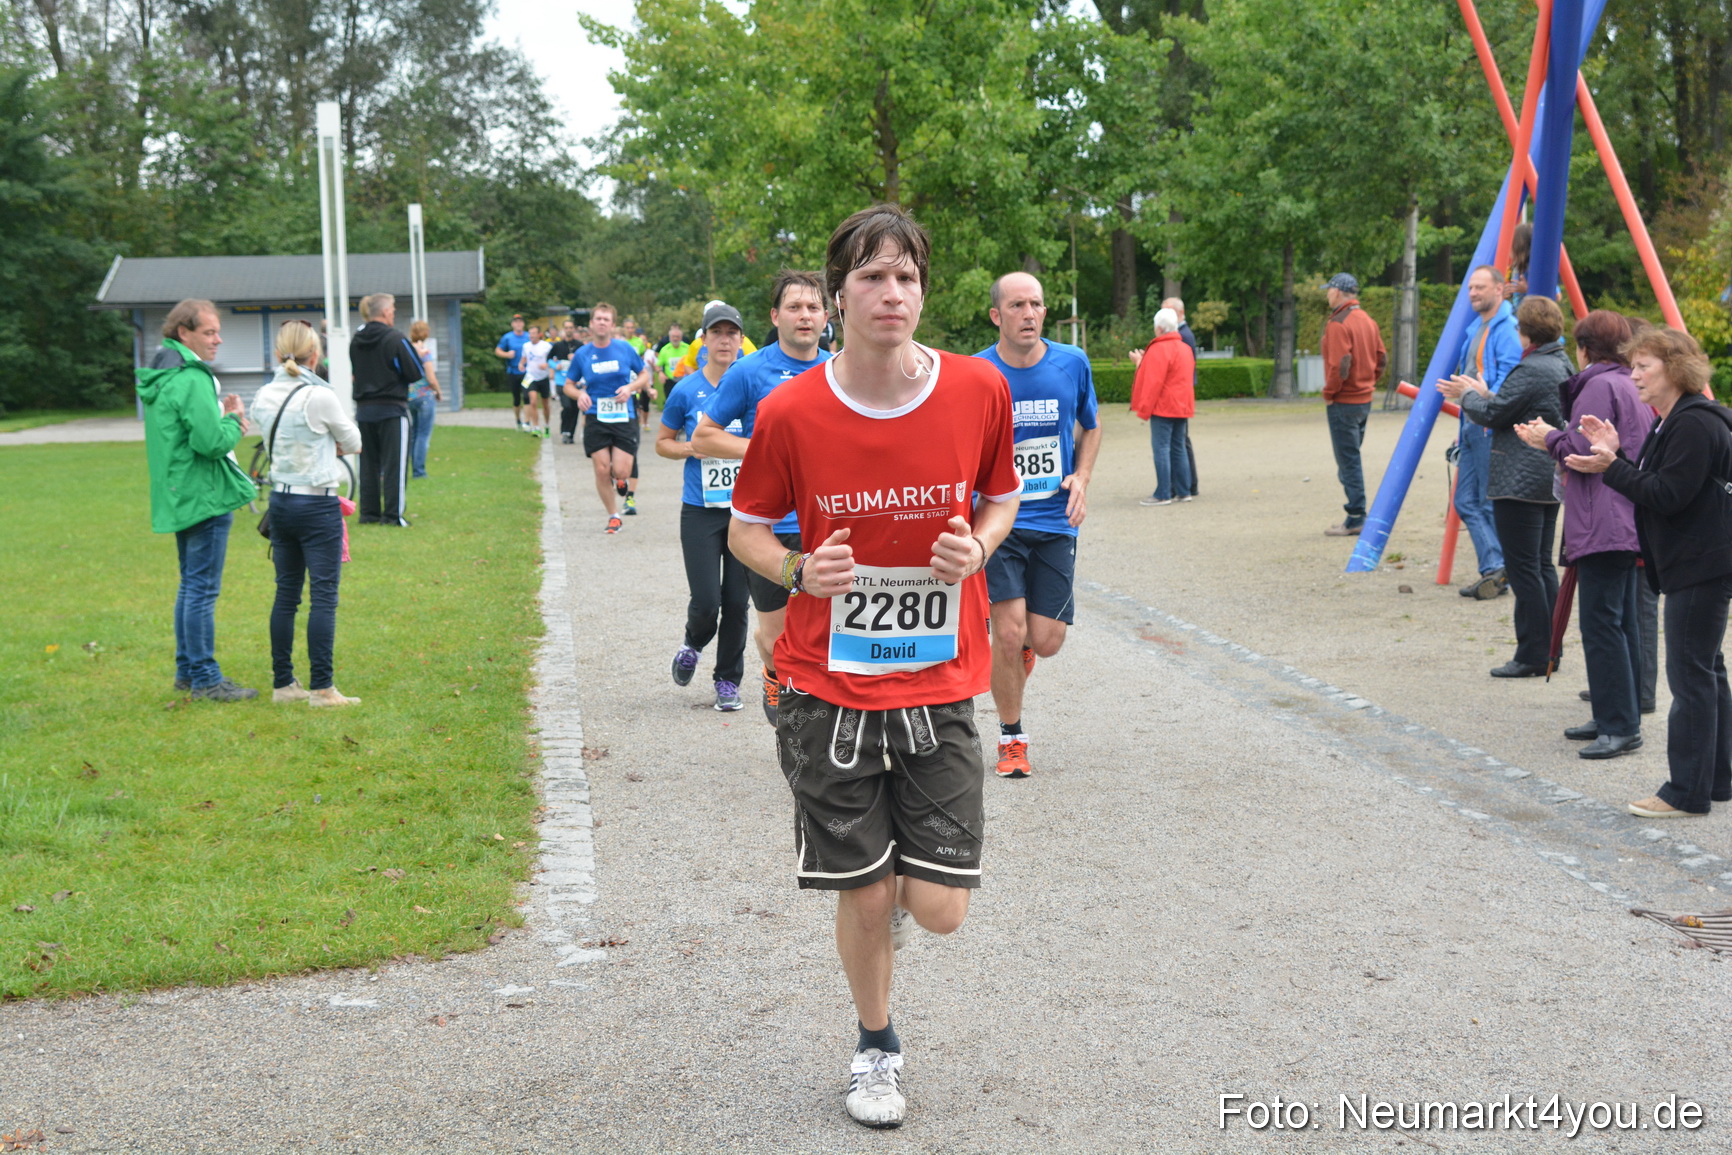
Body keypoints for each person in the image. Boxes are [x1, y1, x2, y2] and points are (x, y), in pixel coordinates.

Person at [726, 204, 1020, 1130]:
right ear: (838, 295)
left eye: (907, 277)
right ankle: (876, 1045)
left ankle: (889, 903)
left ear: (923, 292)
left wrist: (979, 545)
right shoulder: (791, 409)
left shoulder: (977, 388)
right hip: (828, 687)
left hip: (939, 684)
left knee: (937, 908)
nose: (892, 293)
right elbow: (745, 528)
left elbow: (1002, 497)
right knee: (861, 892)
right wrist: (797, 570)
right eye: (871, 277)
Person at [1567, 327, 1732, 818]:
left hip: (1700, 562)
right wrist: (1618, 455)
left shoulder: (1692, 423)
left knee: (1691, 676)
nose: (1634, 375)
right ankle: (1716, 778)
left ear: (1675, 369)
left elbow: (1667, 495)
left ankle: (1686, 792)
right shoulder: (1676, 420)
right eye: (1633, 365)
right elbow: (1662, 482)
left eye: (1644, 366)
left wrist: (1611, 466)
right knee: (1707, 670)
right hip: (1699, 559)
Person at [691, 270, 832, 723]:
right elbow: (703, 436)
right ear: (775, 316)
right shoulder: (749, 372)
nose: (804, 316)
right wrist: (762, 449)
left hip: (830, 524)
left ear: (826, 316)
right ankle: (773, 671)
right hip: (773, 528)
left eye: (813, 307)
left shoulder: (843, 369)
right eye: (794, 307)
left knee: (830, 633)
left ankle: (818, 717)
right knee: (776, 636)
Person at [975, 272, 1100, 779]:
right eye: (1017, 305)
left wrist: (1082, 478)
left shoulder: (1072, 362)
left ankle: (1020, 652)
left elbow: (1091, 426)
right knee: (1007, 633)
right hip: (999, 523)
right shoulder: (978, 373)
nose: (1029, 314)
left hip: (1054, 521)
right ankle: (1012, 738)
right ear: (996, 315)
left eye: (1036, 305)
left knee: (1044, 640)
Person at [1514, 310, 1652, 757]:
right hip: (1627, 512)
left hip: (1602, 517)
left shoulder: (1597, 384)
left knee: (1601, 624)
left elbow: (1580, 449)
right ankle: (1618, 713)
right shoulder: (1629, 382)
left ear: (1586, 347)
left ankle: (1619, 724)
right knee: (1622, 620)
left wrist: (1548, 437)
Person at [1440, 295, 1570, 678]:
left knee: (1523, 568)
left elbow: (1496, 415)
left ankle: (1532, 654)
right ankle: (1551, 649)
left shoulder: (1531, 368)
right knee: (1541, 565)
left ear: (1525, 331)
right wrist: (1485, 394)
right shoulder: (1561, 362)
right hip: (1545, 476)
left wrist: (1468, 396)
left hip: (1519, 478)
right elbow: (1517, 406)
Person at [137, 298, 258, 701]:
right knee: (201, 590)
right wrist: (234, 420)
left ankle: (188, 673)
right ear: (183, 333)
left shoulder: (163, 375)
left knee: (190, 586)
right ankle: (206, 678)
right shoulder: (191, 377)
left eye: (217, 332)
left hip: (180, 493)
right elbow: (210, 443)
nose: (217, 340)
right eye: (209, 332)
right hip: (203, 495)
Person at [251, 321, 363, 708]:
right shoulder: (319, 395)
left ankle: (283, 684)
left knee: (286, 596)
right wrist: (328, 443)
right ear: (315, 355)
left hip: (281, 502)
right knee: (324, 598)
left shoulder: (264, 394)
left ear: (278, 353)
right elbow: (354, 441)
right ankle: (322, 688)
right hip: (317, 503)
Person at [657, 303, 750, 712]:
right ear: (704, 340)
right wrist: (689, 449)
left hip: (746, 512)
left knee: (737, 603)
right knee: (707, 601)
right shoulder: (685, 389)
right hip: (700, 510)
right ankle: (692, 643)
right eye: (717, 333)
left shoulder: (751, 385)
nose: (725, 340)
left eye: (732, 333)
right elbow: (662, 442)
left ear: (741, 340)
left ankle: (728, 680)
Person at [1452, 266, 1523, 598]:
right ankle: (1497, 566)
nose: (1473, 293)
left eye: (1480, 287)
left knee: (1484, 500)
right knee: (1465, 500)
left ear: (1499, 289)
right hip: (1471, 423)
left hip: (1488, 424)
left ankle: (1499, 568)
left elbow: (1511, 376)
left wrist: (1487, 397)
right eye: (1470, 288)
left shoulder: (1506, 329)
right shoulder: (1478, 328)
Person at [564, 302, 650, 533]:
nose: (602, 323)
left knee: (621, 470)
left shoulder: (624, 349)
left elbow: (643, 374)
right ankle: (613, 516)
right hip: (596, 416)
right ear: (591, 324)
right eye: (598, 319)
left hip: (623, 416)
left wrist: (630, 388)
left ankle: (620, 479)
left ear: (612, 325)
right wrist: (580, 394)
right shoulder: (582, 354)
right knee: (602, 469)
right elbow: (568, 385)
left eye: (606, 319)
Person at [1317, 273, 1388, 536]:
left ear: (1337, 292)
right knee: (1352, 457)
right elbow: (1382, 358)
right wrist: (1368, 382)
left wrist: (1329, 392)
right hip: (1364, 399)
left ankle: (1356, 516)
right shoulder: (1367, 320)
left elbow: (1340, 365)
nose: (1327, 294)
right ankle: (1356, 513)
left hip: (1344, 401)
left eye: (1329, 290)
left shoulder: (1338, 323)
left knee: (1348, 461)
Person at [349, 293, 425, 527]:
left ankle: (369, 513)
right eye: (392, 309)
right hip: (392, 409)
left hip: (364, 410)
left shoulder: (356, 340)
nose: (394, 313)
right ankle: (393, 516)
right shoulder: (395, 339)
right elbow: (415, 372)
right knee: (395, 465)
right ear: (384, 312)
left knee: (368, 464)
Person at [1128, 307, 1195, 505]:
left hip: (1163, 406)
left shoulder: (1158, 349)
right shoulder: (1185, 348)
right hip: (1181, 405)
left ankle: (1163, 493)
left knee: (1161, 448)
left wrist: (1144, 409)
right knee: (1178, 447)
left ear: (1158, 328)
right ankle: (1183, 491)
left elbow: (1152, 382)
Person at [1164, 296, 1201, 496]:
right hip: (1181, 394)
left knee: (1179, 443)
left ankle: (1185, 485)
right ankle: (1187, 485)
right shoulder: (1182, 334)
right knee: (1180, 441)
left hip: (1178, 395)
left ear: (1180, 313)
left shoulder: (1182, 335)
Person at [406, 320, 444, 479]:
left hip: (410, 397)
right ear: (426, 333)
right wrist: (438, 392)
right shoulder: (425, 352)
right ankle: (419, 471)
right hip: (425, 397)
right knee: (423, 435)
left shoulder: (408, 351)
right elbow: (431, 378)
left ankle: (410, 468)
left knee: (414, 434)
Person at [495, 315, 532, 431]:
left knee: (527, 396)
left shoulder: (528, 336)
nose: (518, 324)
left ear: (523, 324)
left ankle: (527, 422)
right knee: (516, 398)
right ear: (512, 324)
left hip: (527, 372)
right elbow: (498, 350)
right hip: (513, 371)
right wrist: (507, 354)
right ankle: (518, 420)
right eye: (516, 322)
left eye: (520, 322)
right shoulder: (507, 337)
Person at [550, 319, 583, 445]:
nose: (569, 330)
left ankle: (571, 434)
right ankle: (564, 431)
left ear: (574, 329)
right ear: (563, 330)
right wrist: (555, 366)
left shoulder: (579, 346)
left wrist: (575, 359)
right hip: (561, 382)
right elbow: (549, 359)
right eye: (566, 328)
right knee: (567, 406)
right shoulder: (558, 346)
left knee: (574, 409)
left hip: (575, 383)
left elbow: (585, 361)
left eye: (571, 327)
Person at [521, 324, 555, 438]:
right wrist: (521, 364)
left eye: (534, 333)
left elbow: (553, 360)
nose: (532, 336)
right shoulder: (526, 346)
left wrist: (548, 366)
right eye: (530, 333)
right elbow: (524, 358)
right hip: (531, 377)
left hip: (543, 378)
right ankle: (535, 427)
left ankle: (547, 425)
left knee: (545, 404)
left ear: (539, 334)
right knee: (533, 402)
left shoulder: (546, 346)